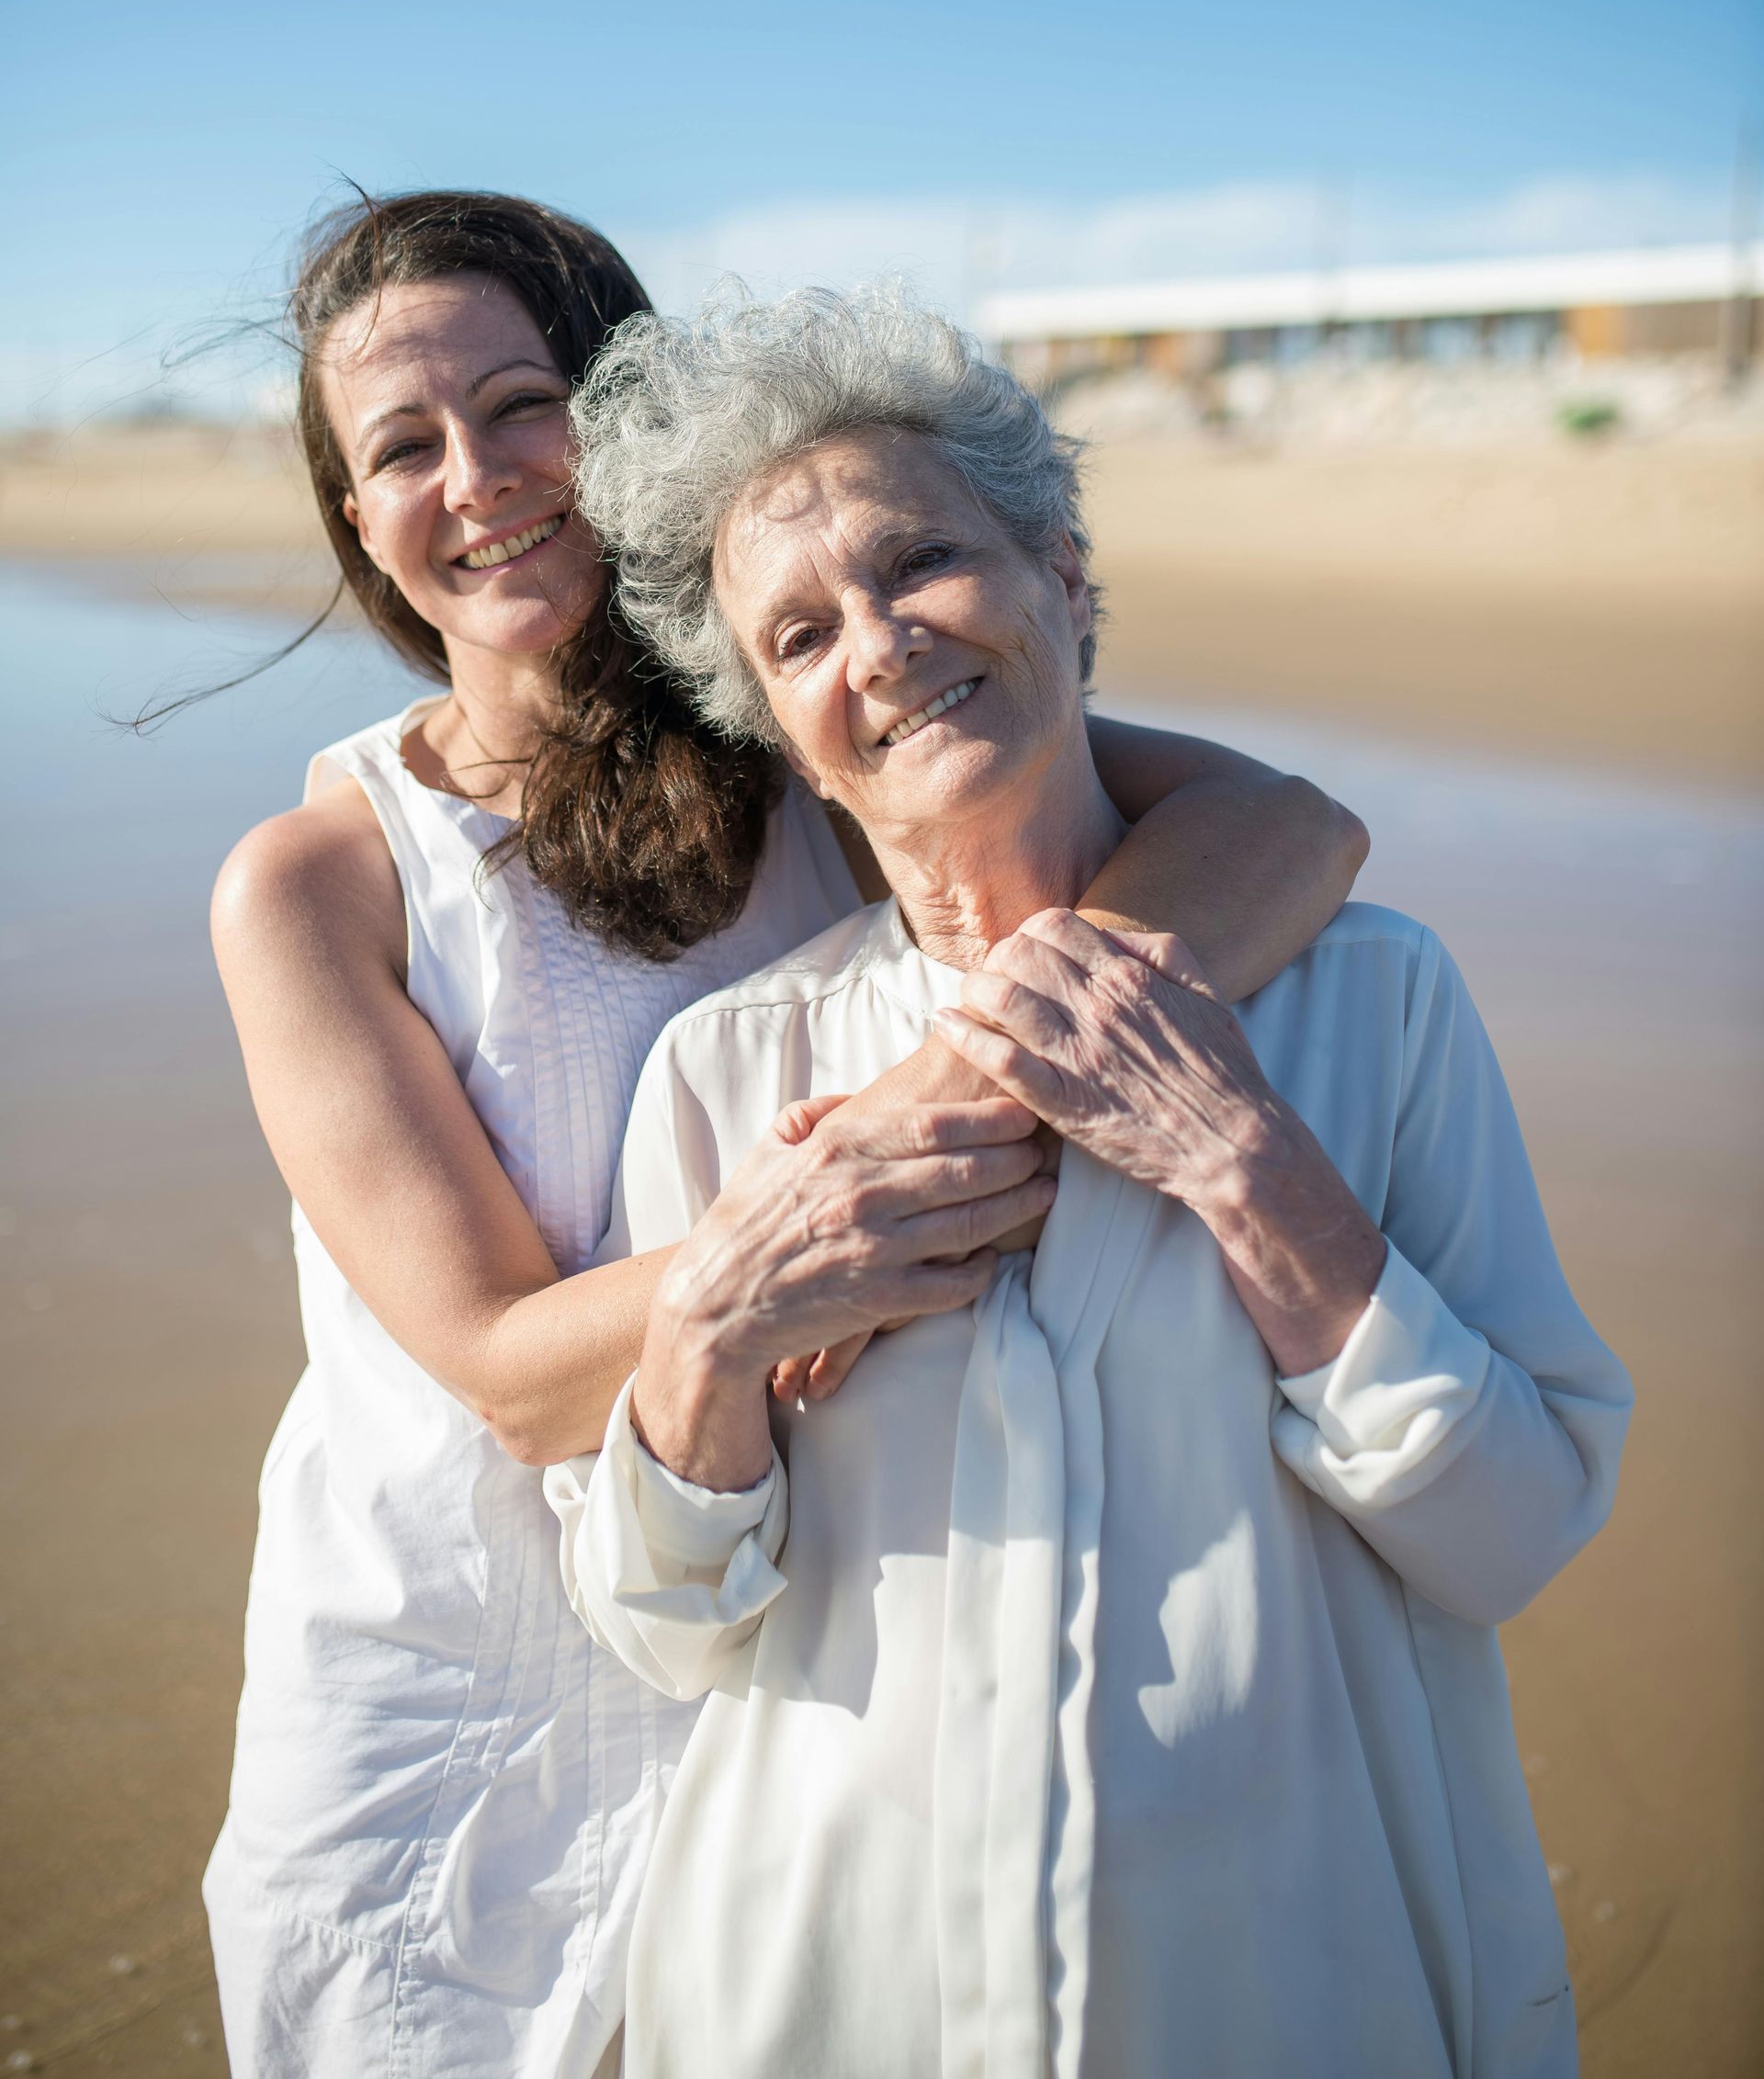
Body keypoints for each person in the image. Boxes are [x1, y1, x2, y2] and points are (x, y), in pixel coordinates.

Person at [202, 191, 1369, 2076]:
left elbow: (1289, 831)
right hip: (445, 1705)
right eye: (401, 449)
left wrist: (943, 1102)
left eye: (523, 403)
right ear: (359, 521)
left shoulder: (824, 740)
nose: (476, 477)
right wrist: (795, 1231)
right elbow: (507, 1372)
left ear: (637, 411)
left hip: (780, 1666)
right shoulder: (325, 880)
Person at [550, 284, 1634, 2079]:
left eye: (922, 563)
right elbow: (671, 1629)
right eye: (801, 631)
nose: (880, 647)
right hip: (816, 2008)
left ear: (1064, 578)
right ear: (771, 723)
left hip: (1296, 2002)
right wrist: (710, 1329)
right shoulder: (731, 1075)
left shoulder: (1371, 1002)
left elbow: (1512, 1530)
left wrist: (1240, 1156)